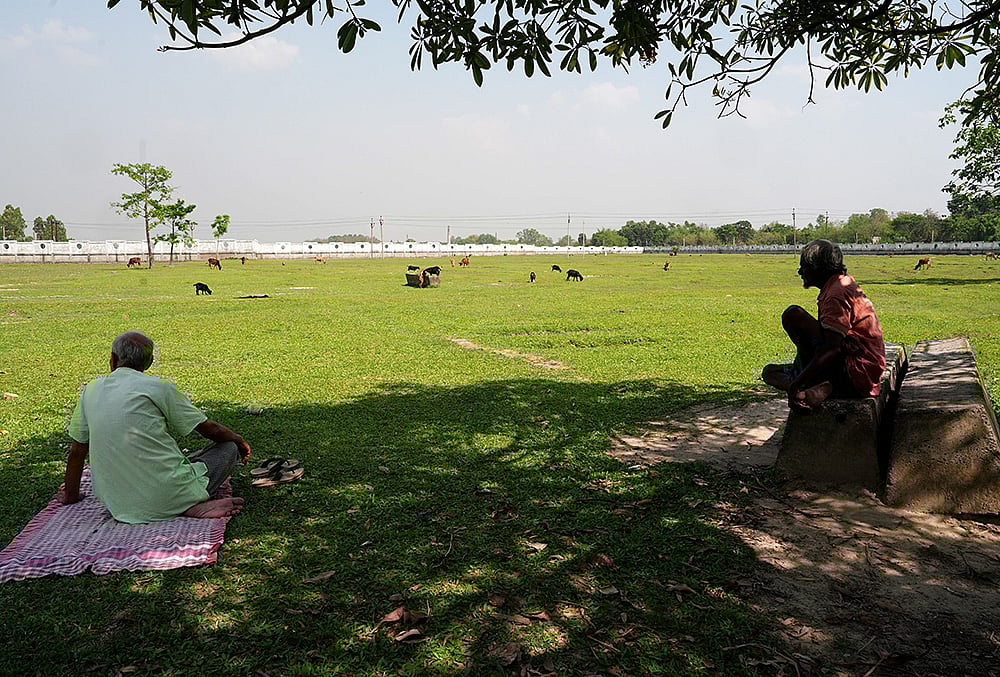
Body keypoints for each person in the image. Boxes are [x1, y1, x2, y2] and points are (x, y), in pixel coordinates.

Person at [59, 331, 251, 522]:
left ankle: (175, 503)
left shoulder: (90, 390)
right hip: (167, 495)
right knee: (227, 448)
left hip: (118, 505)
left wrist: (71, 496)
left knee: (192, 458)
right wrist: (237, 440)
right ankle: (185, 505)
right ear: (149, 362)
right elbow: (209, 429)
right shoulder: (158, 387)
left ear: (112, 359)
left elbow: (77, 451)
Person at [762, 239, 885, 411]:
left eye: (804, 266)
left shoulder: (835, 294)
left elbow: (832, 348)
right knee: (771, 372)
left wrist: (796, 384)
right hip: (865, 371)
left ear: (817, 268)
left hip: (856, 373)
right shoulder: (841, 283)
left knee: (793, 315)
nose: (800, 272)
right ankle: (821, 385)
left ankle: (813, 385)